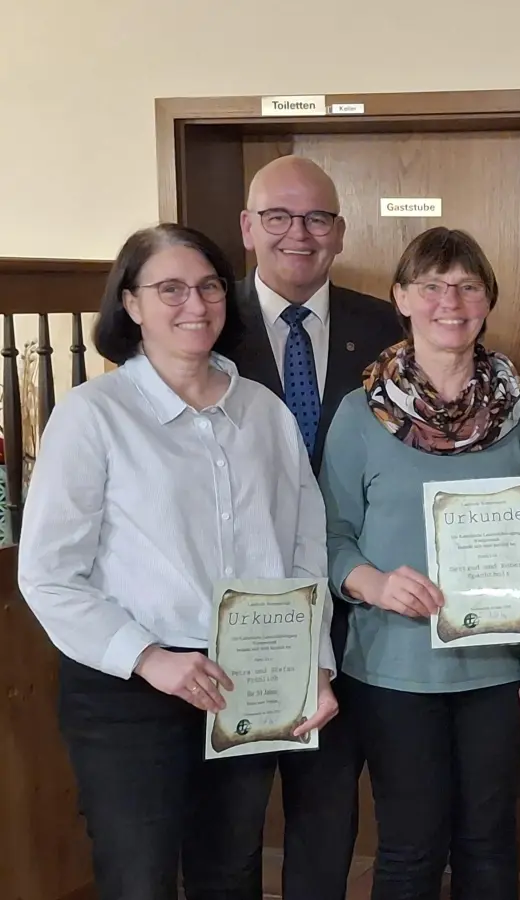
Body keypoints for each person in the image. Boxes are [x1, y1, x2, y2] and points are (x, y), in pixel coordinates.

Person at [17, 223, 338, 899]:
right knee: (140, 881)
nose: (195, 304)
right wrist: (148, 657)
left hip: (247, 677)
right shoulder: (93, 415)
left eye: (209, 286)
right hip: (130, 693)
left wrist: (312, 662)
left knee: (232, 875)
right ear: (131, 303)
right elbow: (48, 574)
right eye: (170, 289)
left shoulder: (265, 412)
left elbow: (305, 548)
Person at [318, 226, 520, 899]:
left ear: (487, 300)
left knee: (489, 843)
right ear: (402, 297)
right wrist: (373, 583)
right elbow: (327, 537)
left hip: (498, 667)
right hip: (393, 671)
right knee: (410, 848)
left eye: (466, 286)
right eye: (431, 286)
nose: (449, 302)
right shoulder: (359, 414)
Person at [223, 153, 405, 899]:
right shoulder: (209, 321)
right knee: (229, 819)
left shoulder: (387, 326)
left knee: (328, 812)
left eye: (317, 217)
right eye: (278, 216)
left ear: (340, 229)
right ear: (247, 226)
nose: (298, 233)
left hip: (351, 610)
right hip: (237, 611)